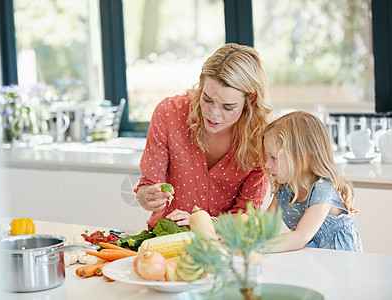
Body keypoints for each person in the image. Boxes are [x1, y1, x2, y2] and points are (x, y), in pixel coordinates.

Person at [134, 43, 273, 229]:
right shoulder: (169, 113)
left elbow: (246, 216)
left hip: (224, 244)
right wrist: (147, 197)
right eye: (207, 99)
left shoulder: (261, 139)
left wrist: (204, 223)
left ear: (250, 100)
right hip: (166, 239)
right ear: (202, 84)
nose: (213, 114)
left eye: (227, 107)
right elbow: (146, 189)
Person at [259, 111, 363, 252]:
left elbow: (301, 237)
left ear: (304, 158)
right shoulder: (285, 187)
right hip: (312, 259)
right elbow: (264, 226)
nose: (266, 164)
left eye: (273, 158)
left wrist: (255, 247)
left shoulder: (324, 189)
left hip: (340, 263)